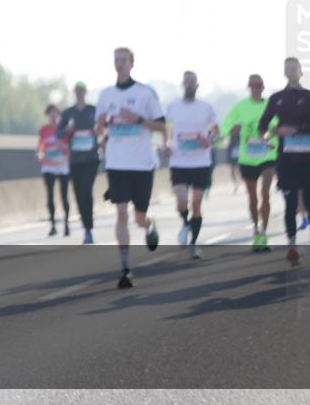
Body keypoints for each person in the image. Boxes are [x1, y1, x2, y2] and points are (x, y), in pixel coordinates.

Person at [95, 47, 164, 289]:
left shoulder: (145, 93)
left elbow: (162, 127)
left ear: (132, 63)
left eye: (123, 60)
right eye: (116, 60)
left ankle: (150, 225)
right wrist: (101, 128)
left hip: (142, 163)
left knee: (139, 217)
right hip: (116, 163)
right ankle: (125, 268)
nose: (119, 64)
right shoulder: (105, 95)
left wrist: (137, 119)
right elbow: (100, 130)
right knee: (121, 213)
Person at [258, 57, 310, 266]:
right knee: (290, 203)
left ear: (301, 72)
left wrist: (296, 130)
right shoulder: (276, 98)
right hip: (286, 160)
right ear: (284, 72)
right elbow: (263, 124)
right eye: (287, 68)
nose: (291, 71)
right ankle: (292, 245)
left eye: (294, 68)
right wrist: (266, 139)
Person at [163, 71, 219, 260]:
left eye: (192, 82)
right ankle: (185, 223)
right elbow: (167, 128)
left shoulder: (206, 107)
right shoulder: (173, 106)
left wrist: (208, 140)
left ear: (197, 85)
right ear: (182, 84)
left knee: (196, 203)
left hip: (201, 162)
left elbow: (216, 130)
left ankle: (193, 243)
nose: (189, 85)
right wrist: (167, 143)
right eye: (186, 82)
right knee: (181, 201)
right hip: (178, 161)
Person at [220, 74, 278, 252]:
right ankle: (255, 229)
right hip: (248, 158)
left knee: (265, 193)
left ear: (263, 87)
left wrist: (269, 137)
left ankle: (264, 232)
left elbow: (276, 127)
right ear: (249, 87)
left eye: (258, 85)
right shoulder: (240, 107)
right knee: (252, 197)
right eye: (252, 85)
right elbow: (225, 127)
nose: (255, 88)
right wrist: (232, 130)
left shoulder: (271, 105)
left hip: (268, 155)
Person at [57, 81, 98, 244]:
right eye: (77, 90)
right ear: (75, 93)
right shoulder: (68, 113)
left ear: (85, 92)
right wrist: (67, 130)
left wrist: (98, 133)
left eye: (82, 90)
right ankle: (86, 227)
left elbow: (106, 128)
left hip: (91, 159)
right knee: (79, 194)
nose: (80, 93)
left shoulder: (93, 111)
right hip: (75, 160)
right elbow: (58, 134)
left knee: (86, 191)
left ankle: (89, 228)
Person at [39, 104, 71, 236]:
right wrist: (41, 157)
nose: (53, 116)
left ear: (59, 115)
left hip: (62, 165)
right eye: (50, 113)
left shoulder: (63, 130)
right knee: (50, 196)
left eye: (55, 113)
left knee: (64, 196)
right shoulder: (43, 130)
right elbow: (40, 147)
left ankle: (67, 224)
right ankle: (53, 225)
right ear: (48, 115)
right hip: (48, 166)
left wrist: (63, 150)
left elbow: (69, 147)